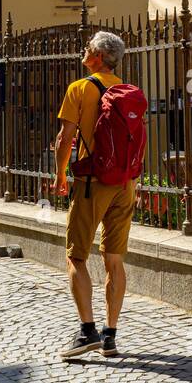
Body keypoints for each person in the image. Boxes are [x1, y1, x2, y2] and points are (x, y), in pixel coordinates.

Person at [53, 30, 133, 361]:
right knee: (114, 260)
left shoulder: (80, 89)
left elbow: (65, 137)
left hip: (91, 182)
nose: (84, 52)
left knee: (76, 256)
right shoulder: (126, 91)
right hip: (125, 184)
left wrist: (59, 174)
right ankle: (110, 337)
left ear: (98, 56)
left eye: (88, 48)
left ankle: (87, 331)